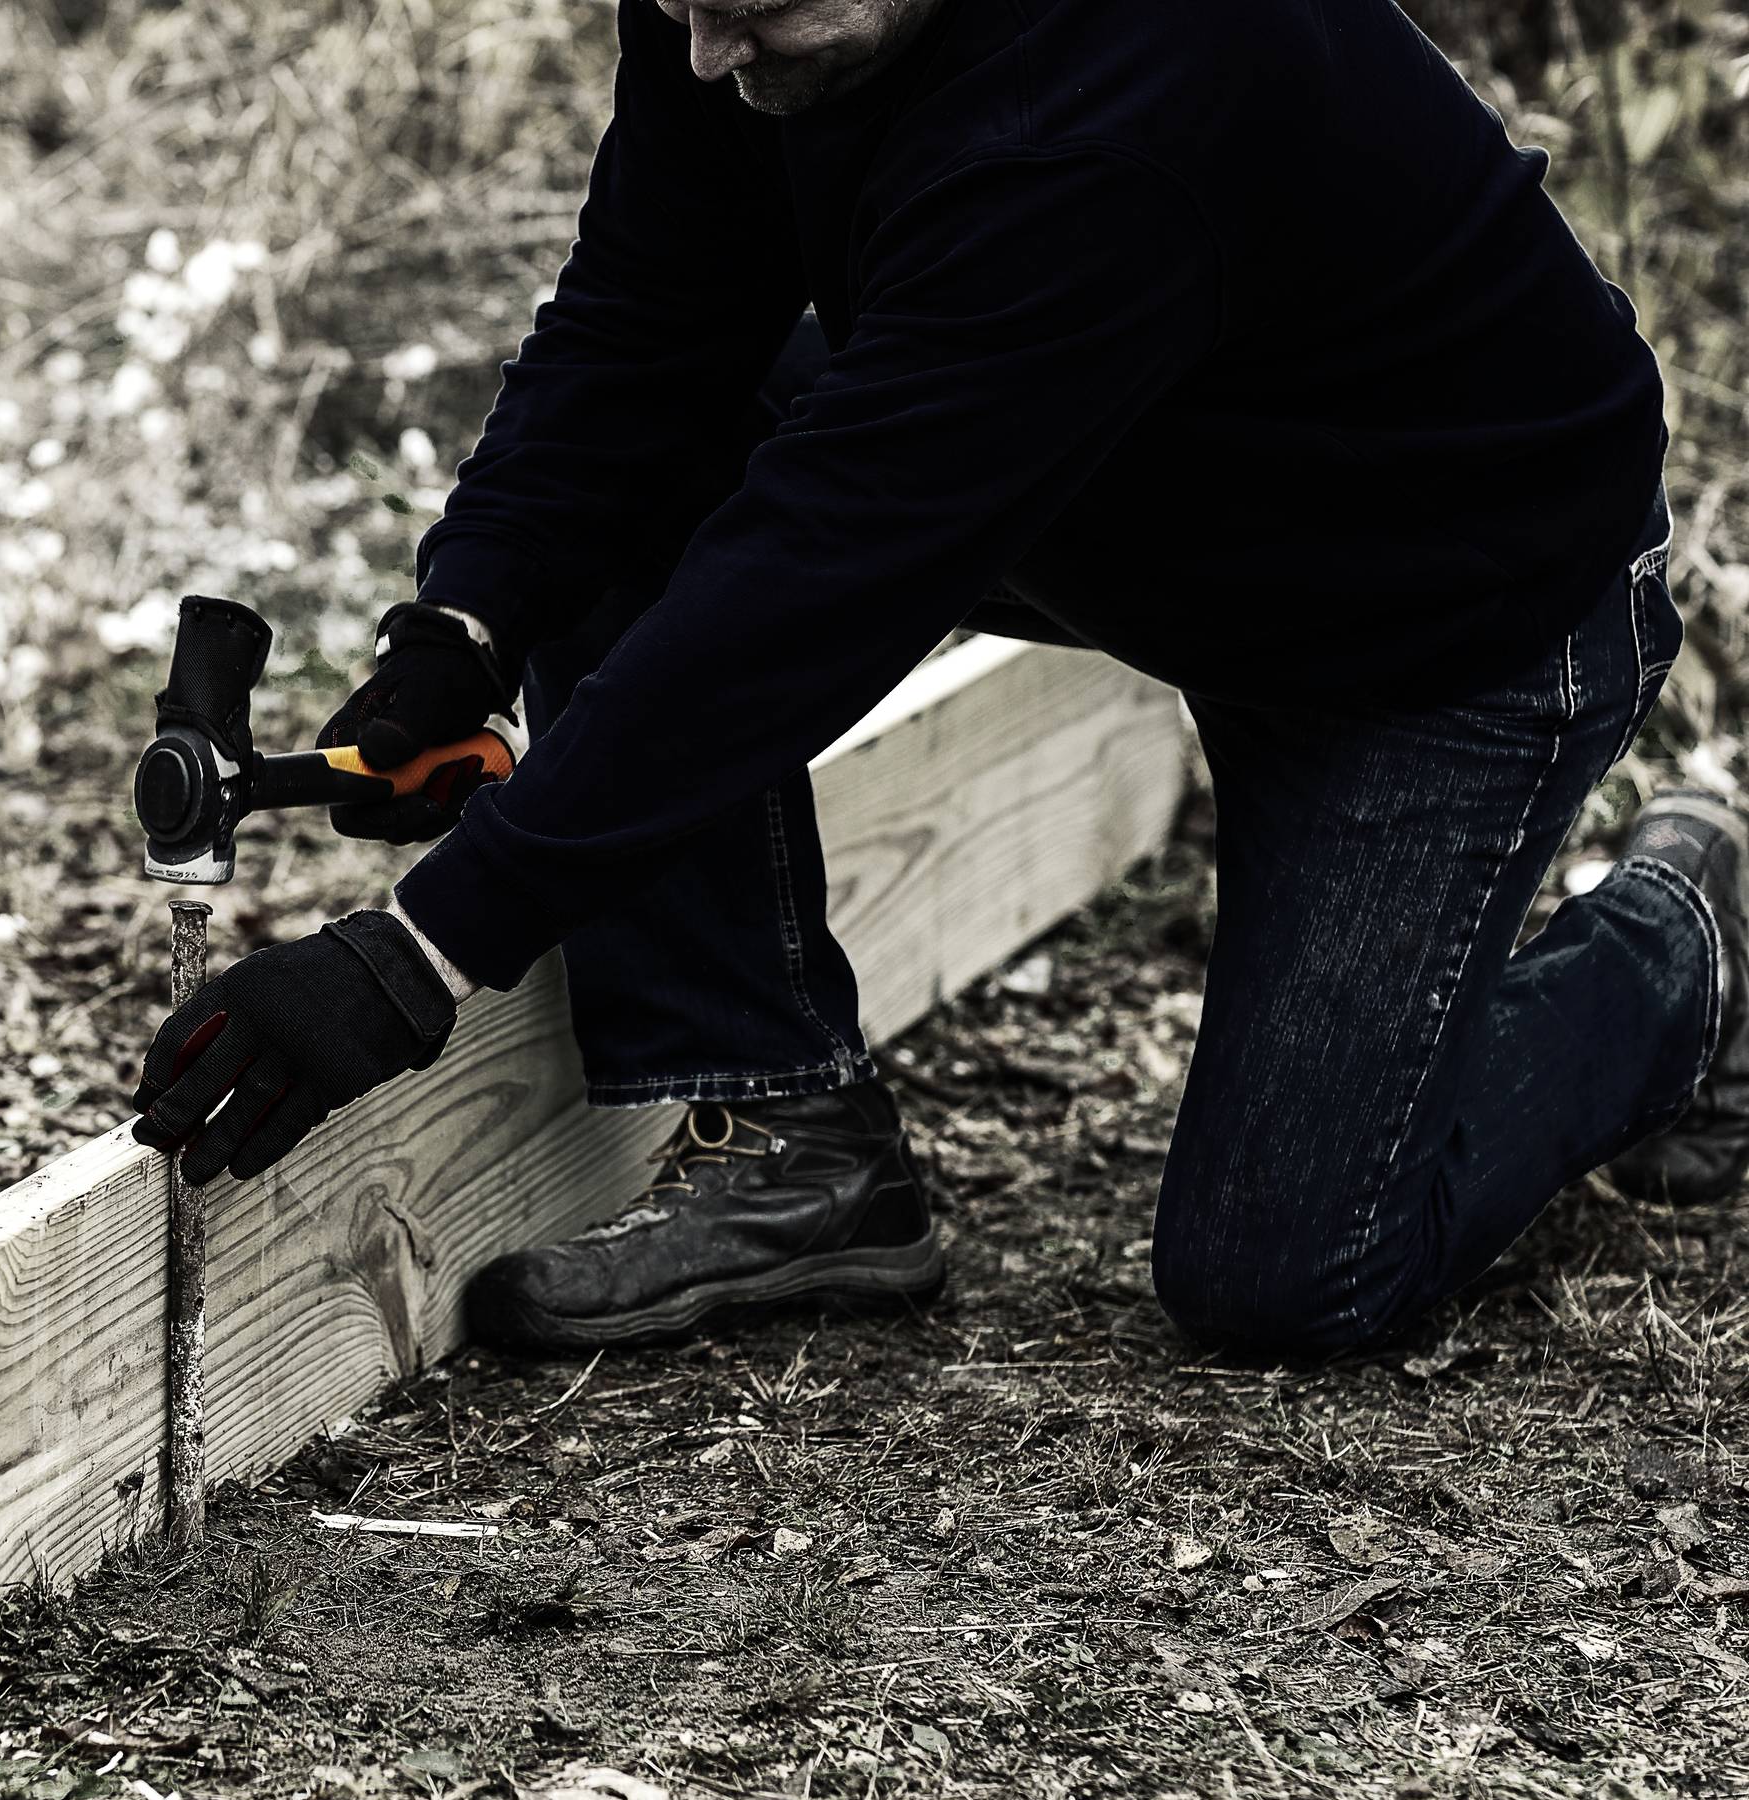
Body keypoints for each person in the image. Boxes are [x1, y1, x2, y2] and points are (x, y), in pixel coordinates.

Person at [129, 0, 1742, 1366]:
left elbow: (801, 596)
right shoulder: (743, 5)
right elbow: (647, 315)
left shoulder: (1120, 103)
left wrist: (414, 957)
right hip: (1138, 457)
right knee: (653, 475)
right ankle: (786, 1131)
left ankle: (1687, 944)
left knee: (1290, 1273)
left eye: (750, 14)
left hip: (1435, 602)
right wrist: (460, 626)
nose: (702, 56)